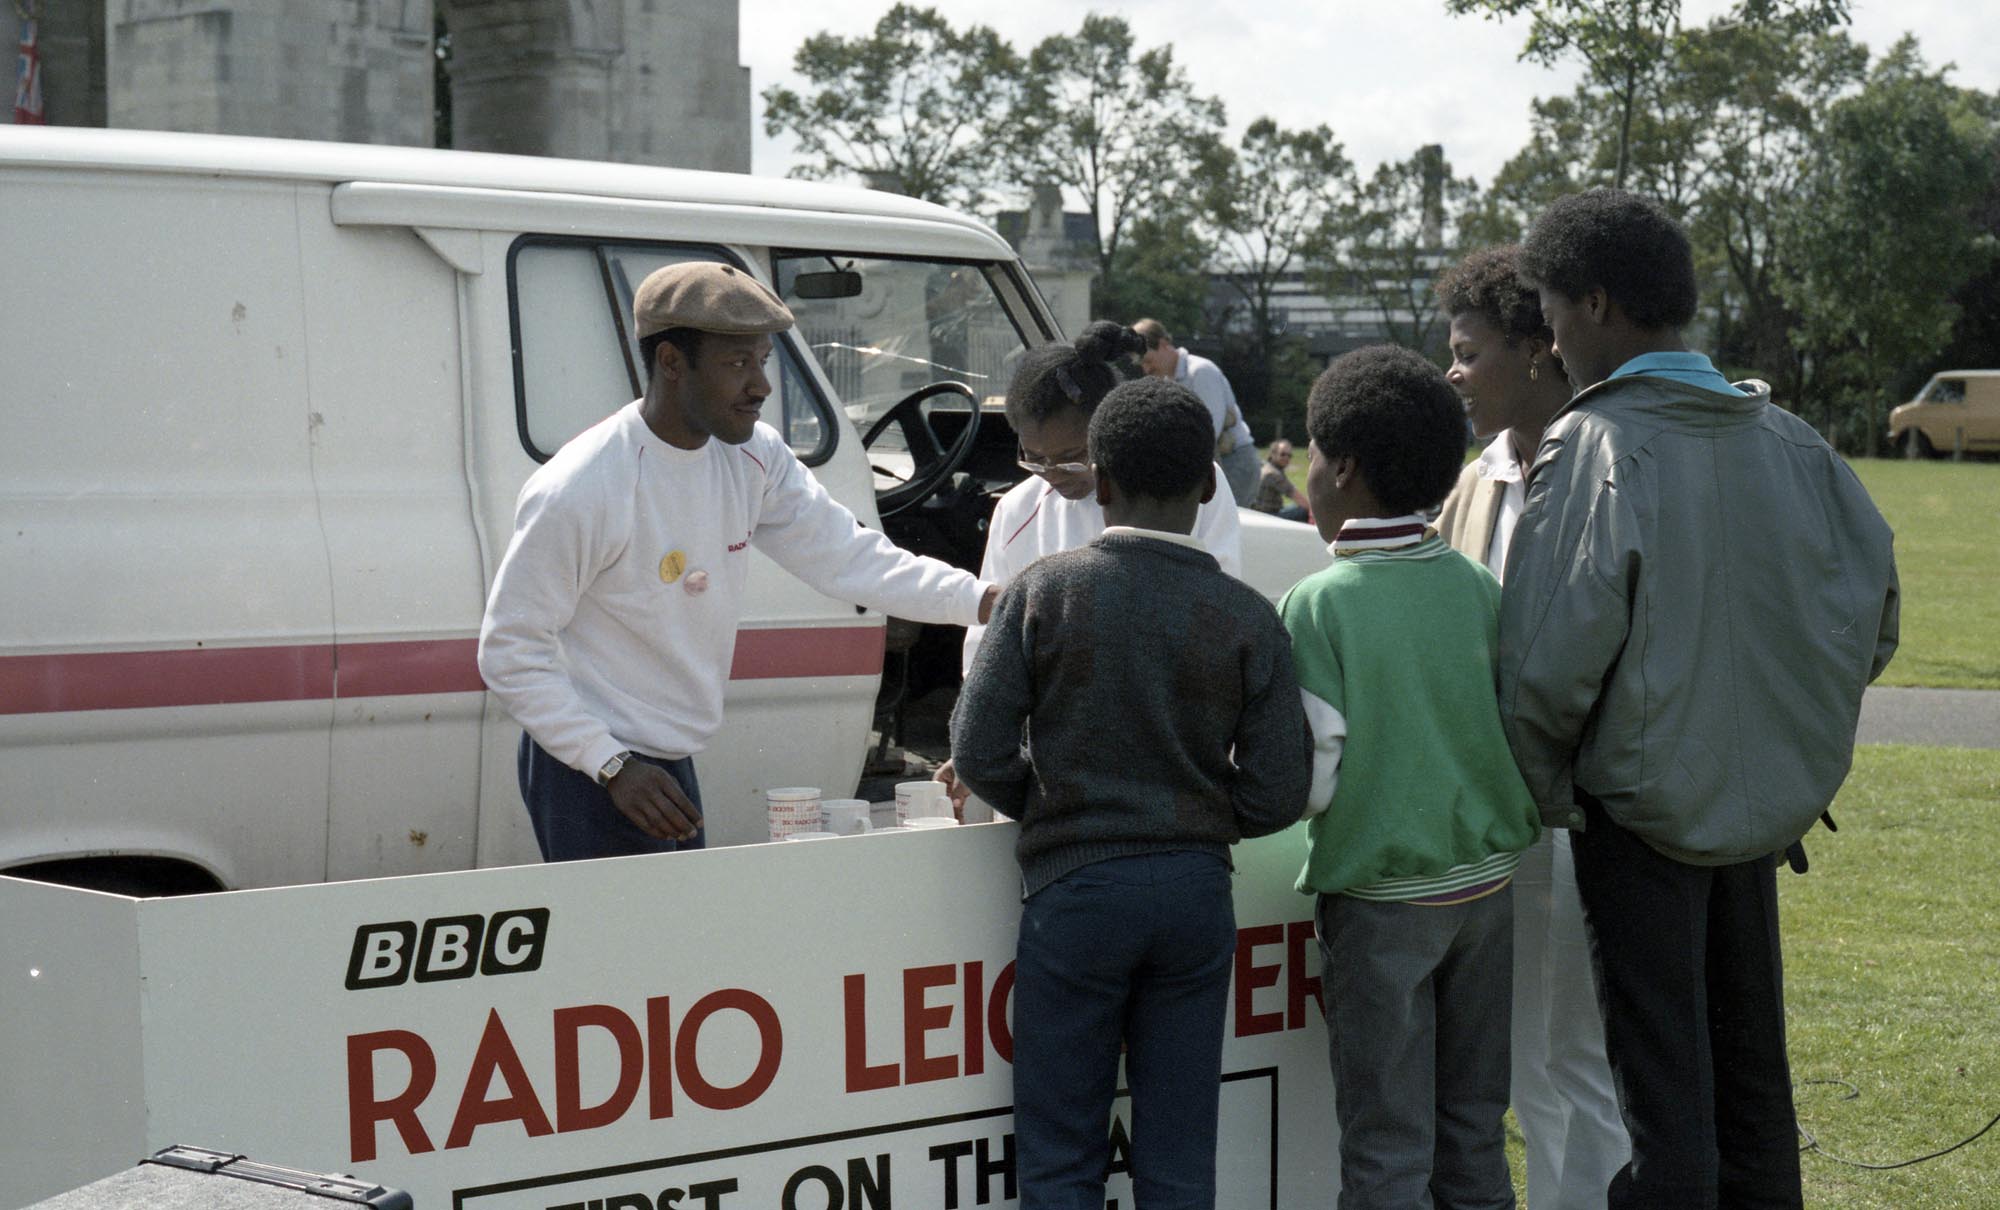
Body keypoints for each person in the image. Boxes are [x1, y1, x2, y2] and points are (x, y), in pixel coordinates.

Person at [1503, 188, 1899, 1209]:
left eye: (1547, 311)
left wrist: (1554, 787)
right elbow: (1874, 618)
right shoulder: (1793, 442)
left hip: (1631, 818)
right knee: (1752, 1094)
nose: (1544, 341)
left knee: (1665, 1106)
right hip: (1757, 814)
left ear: (1593, 304)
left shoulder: (1588, 444)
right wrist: (1776, 739)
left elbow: (1545, 667)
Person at [478, 260, 998, 862]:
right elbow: (510, 650)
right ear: (671, 363)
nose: (761, 386)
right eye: (737, 363)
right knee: (622, 950)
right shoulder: (585, 484)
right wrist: (611, 765)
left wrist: (984, 600)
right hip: (589, 769)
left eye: (763, 361)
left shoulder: (753, 456)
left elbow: (851, 558)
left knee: (679, 946)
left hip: (663, 762)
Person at [950, 376, 1309, 1210]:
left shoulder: (1043, 589)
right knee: (1180, 1155)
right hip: (1193, 894)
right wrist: (1200, 813)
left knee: (1060, 1152)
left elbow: (976, 747)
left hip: (1074, 888)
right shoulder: (1249, 616)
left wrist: (1048, 805)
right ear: (1213, 484)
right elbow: (1278, 791)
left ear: (1099, 481)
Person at [1282, 344, 1539, 1210]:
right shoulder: (1474, 583)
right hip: (1487, 894)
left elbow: (1312, 773)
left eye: (1313, 457)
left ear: (1343, 468)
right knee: (1473, 1129)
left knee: (1388, 1142)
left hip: (1383, 903)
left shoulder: (1321, 601)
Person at [1434, 246, 1629, 1210]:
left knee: (1574, 1062)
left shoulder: (1612, 462)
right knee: (1528, 1061)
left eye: (1469, 351)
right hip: (1500, 813)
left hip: (1589, 809)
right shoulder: (1477, 481)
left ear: (1539, 349)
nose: (1453, 373)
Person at [938, 321, 1243, 812]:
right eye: (1034, 459)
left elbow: (1220, 601)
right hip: (1055, 764)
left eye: (1073, 457)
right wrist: (976, 740)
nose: (1053, 475)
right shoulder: (1018, 512)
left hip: (1165, 742)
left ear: (1109, 430)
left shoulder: (1186, 484)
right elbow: (989, 643)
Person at [1135, 317, 1259, 505]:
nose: (1146, 369)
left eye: (1148, 360)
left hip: (1234, 464)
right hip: (1210, 465)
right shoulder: (1168, 383)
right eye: (1142, 364)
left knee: (1225, 531)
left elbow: (1209, 431)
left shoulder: (1201, 372)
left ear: (1163, 344)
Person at [1250, 438, 1310, 521]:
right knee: (1304, 511)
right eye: (1283, 454)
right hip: (1268, 517)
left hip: (1262, 513)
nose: (1286, 458)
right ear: (1273, 454)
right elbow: (1296, 496)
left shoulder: (1265, 467)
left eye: (1289, 455)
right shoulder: (1272, 474)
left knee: (1296, 506)